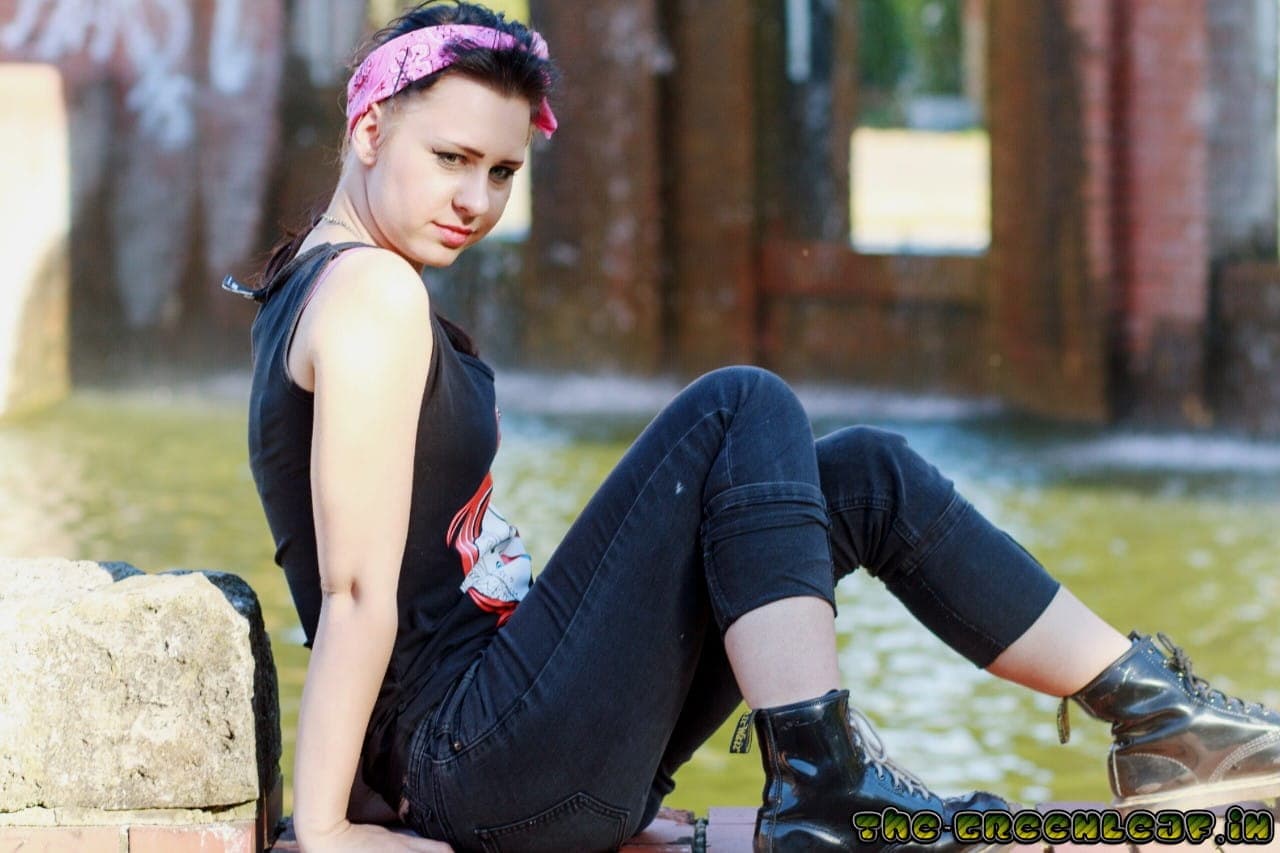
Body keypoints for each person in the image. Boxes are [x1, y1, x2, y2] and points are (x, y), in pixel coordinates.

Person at [229, 2, 1280, 851]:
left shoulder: (335, 285)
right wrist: (325, 826)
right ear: (369, 131)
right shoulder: (369, 294)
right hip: (476, 761)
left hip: (498, 749)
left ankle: (1153, 712)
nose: (477, 198)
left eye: (502, 172)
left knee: (858, 477)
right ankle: (821, 782)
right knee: (740, 405)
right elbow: (354, 591)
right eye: (452, 157)